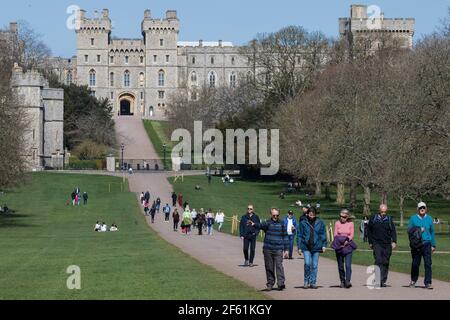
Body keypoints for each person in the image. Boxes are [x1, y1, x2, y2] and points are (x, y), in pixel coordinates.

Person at [249, 208, 289, 291]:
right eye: (274, 215)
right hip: (268, 248)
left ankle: (281, 283)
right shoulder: (267, 223)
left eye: (277, 215)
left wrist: (286, 249)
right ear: (271, 215)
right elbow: (260, 225)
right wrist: (253, 224)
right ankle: (270, 283)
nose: (275, 217)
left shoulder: (282, 223)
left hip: (278, 249)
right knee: (269, 267)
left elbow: (285, 236)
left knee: (279, 266)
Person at [368, 204, 397, 288]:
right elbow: (369, 230)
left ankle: (383, 280)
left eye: (385, 212)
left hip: (387, 243)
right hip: (376, 243)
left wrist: (394, 241)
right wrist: (370, 242)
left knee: (385, 261)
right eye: (382, 211)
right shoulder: (373, 218)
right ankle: (377, 280)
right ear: (379, 210)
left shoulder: (389, 219)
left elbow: (393, 231)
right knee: (378, 260)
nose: (383, 213)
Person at [408, 202, 436, 289]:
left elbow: (432, 232)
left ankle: (428, 282)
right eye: (420, 208)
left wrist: (433, 244)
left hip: (427, 243)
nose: (422, 209)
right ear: (418, 209)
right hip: (417, 245)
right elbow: (409, 231)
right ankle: (413, 280)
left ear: (426, 208)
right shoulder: (413, 218)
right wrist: (419, 230)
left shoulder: (429, 218)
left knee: (428, 263)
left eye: (423, 207)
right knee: (415, 263)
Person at [297, 207, 327, 289]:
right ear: (307, 214)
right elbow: (299, 235)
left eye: (313, 214)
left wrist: (324, 245)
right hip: (306, 247)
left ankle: (313, 282)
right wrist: (299, 247)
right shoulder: (303, 223)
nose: (311, 215)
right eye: (310, 213)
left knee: (314, 265)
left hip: (316, 247)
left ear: (315, 214)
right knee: (307, 263)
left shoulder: (320, 222)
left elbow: (323, 234)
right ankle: (306, 281)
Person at [332, 209, 357, 288]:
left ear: (347, 217)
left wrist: (347, 240)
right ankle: (342, 281)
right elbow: (335, 234)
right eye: (341, 216)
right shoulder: (337, 223)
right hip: (339, 245)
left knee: (348, 265)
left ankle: (348, 281)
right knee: (340, 265)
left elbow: (352, 234)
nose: (342, 218)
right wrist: (340, 242)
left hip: (348, 245)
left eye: (344, 217)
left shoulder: (351, 224)